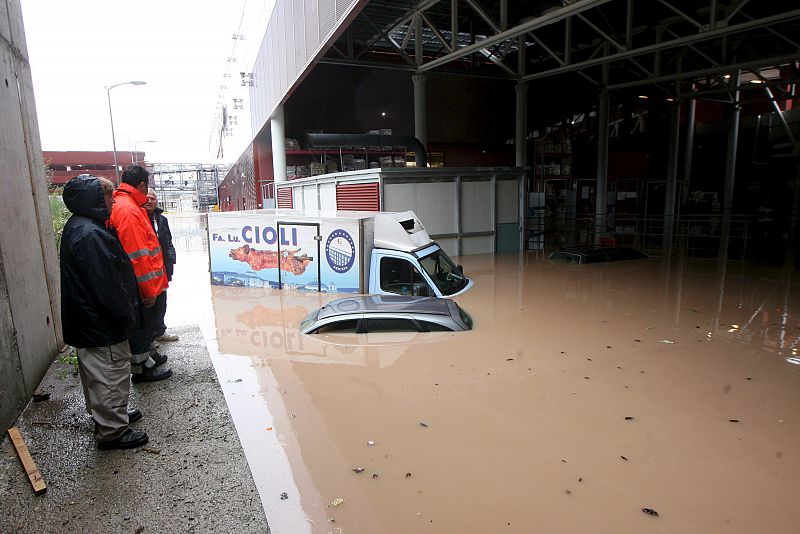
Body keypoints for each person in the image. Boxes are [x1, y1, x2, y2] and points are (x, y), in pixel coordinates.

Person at [59, 174, 149, 449]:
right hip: (101, 323)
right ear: (97, 200)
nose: (113, 203)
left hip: (89, 321)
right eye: (109, 197)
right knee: (110, 372)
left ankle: (109, 417)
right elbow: (106, 286)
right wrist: (125, 316)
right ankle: (112, 430)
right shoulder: (91, 235)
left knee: (100, 375)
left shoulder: (82, 227)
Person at [111, 165, 173, 383]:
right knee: (140, 326)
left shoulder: (127, 205)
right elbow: (137, 255)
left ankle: (148, 359)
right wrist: (149, 290)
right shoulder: (128, 210)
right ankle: (142, 370)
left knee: (146, 326)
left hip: (140, 282)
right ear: (141, 185)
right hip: (139, 285)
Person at [145, 188, 178, 342]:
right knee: (149, 300)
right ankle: (149, 335)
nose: (149, 201)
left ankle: (159, 330)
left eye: (152, 199)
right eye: (147, 198)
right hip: (147, 267)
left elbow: (168, 241)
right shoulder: (139, 218)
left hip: (162, 266)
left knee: (161, 299)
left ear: (157, 201)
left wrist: (170, 262)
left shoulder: (161, 219)